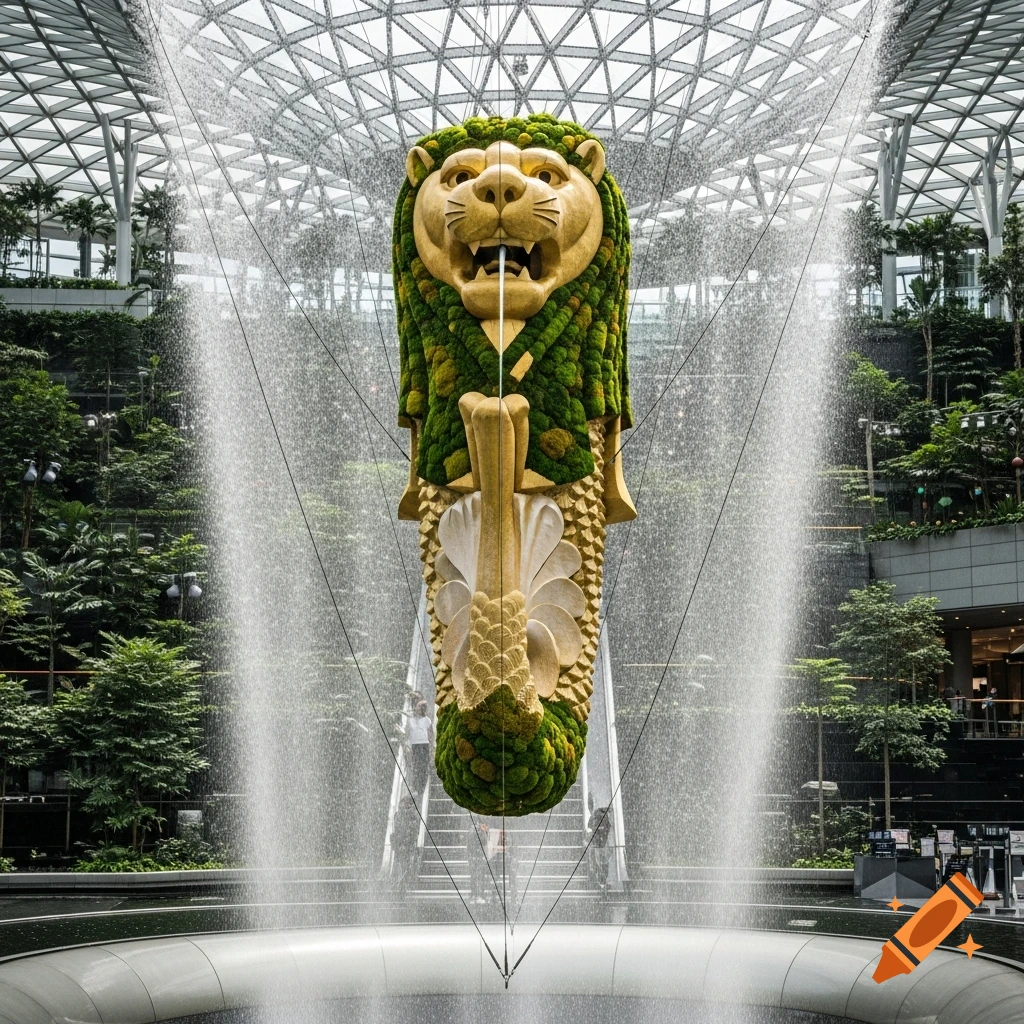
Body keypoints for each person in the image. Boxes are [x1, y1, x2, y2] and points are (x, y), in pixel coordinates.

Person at [403, 700, 434, 800]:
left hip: (424, 745)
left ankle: (420, 788)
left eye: (419, 706)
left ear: (422, 709)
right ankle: (414, 786)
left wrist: (431, 748)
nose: (417, 707)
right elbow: (407, 731)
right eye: (417, 705)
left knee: (423, 766)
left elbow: (430, 735)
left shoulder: (427, 720)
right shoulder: (410, 719)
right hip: (414, 745)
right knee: (415, 765)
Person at [390, 795, 421, 890]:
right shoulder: (402, 814)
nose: (404, 805)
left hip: (405, 844)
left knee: (404, 863)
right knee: (404, 864)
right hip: (403, 843)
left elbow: (412, 829)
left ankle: (402, 883)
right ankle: (402, 883)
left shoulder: (407, 814)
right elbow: (397, 828)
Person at [586, 806, 612, 892]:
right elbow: (607, 829)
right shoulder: (600, 817)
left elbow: (590, 829)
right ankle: (603, 884)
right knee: (603, 863)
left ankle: (602, 884)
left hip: (598, 844)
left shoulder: (594, 817)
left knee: (601, 863)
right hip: (601, 844)